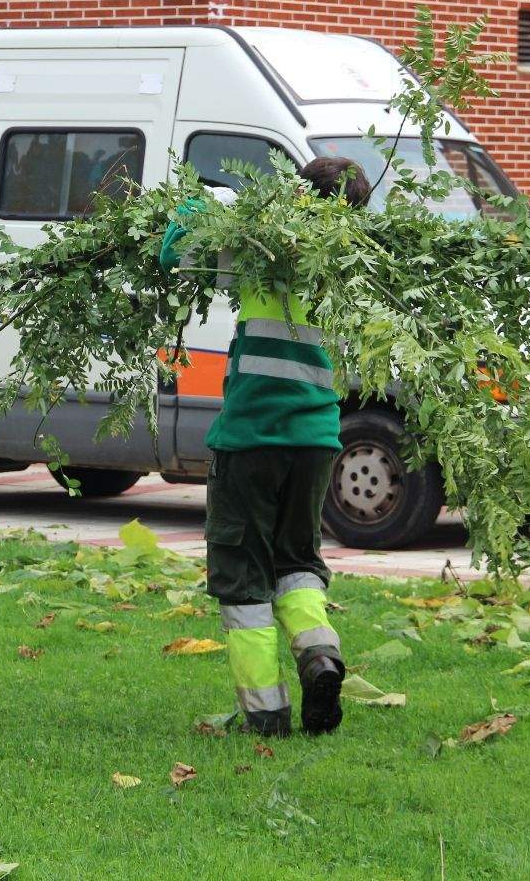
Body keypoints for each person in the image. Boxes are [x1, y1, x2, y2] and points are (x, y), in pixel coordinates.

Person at [159, 156, 370, 737]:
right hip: (316, 439)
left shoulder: (262, 253)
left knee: (243, 577)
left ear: (297, 201)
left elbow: (178, 255)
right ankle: (320, 657)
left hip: (252, 437)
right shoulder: (354, 272)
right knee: (298, 562)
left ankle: (266, 714)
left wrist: (196, 204)